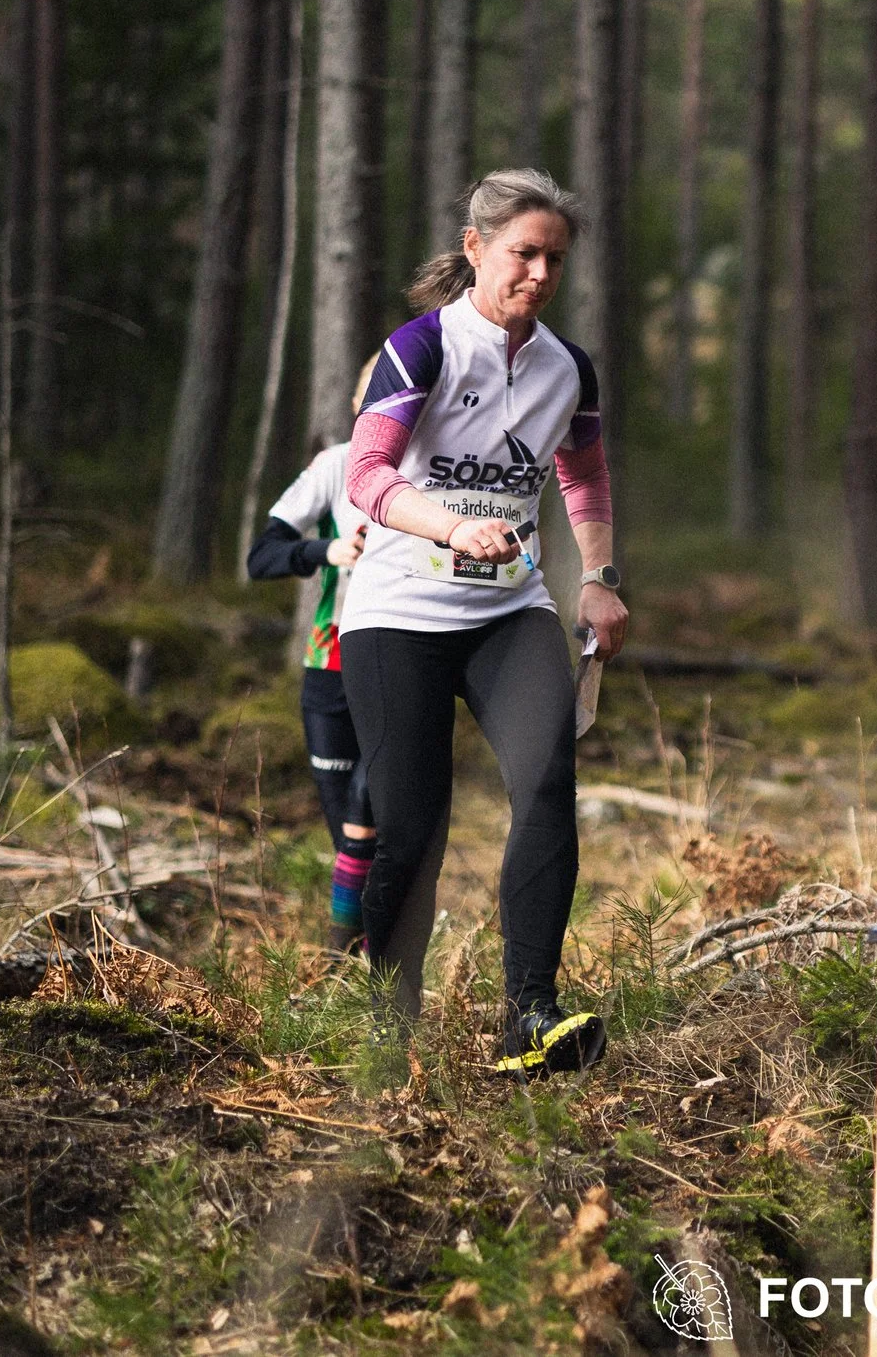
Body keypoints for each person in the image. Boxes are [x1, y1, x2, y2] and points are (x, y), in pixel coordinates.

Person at [340, 168, 627, 1080]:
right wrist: (453, 523)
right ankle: (389, 1027)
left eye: (554, 259)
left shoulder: (566, 366)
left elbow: (582, 475)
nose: (540, 273)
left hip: (511, 610)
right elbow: (367, 476)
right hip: (398, 614)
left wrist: (599, 578)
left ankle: (529, 1015)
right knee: (414, 826)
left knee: (546, 786)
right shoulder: (421, 347)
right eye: (523, 254)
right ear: (475, 249)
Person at [246, 356, 380, 956]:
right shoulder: (336, 465)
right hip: (328, 668)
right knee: (348, 840)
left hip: (398, 668)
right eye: (373, 400)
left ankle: (351, 963)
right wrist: (327, 551)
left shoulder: (438, 469)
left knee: (365, 824)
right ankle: (360, 969)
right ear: (356, 408)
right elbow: (262, 556)